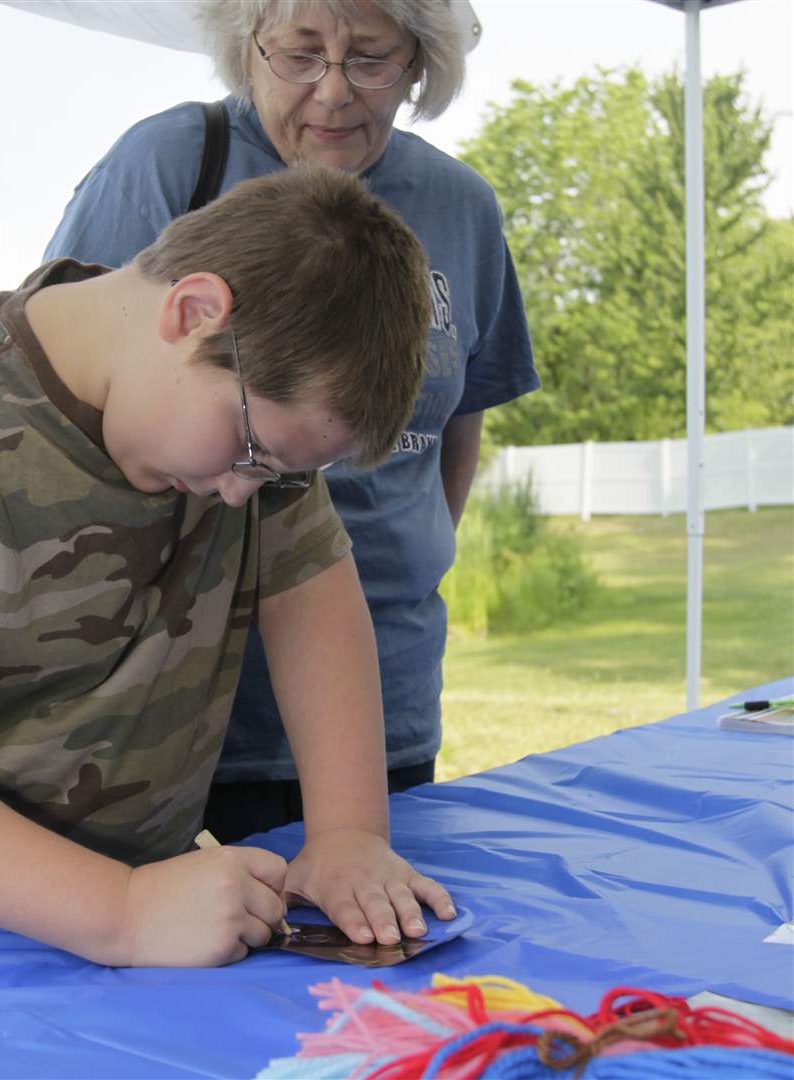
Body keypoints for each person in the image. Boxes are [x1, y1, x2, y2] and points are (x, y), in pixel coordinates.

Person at [0, 164, 455, 972]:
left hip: (108, 918)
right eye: (251, 453)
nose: (240, 493)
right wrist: (121, 911)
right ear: (192, 313)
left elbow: (309, 588)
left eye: (279, 473)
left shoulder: (248, 402)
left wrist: (348, 830)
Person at [44, 0, 541, 843]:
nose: (334, 92)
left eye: (371, 58)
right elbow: (72, 379)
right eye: (302, 55)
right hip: (193, 699)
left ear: (421, 62)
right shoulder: (171, 161)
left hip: (387, 684)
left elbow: (459, 421)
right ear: (248, 48)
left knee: (365, 942)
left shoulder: (461, 205)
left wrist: (421, 552)